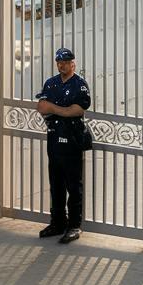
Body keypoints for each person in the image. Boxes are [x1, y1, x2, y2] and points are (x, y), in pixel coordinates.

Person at [35, 47, 91, 244]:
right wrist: (59, 109)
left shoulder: (79, 85)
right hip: (54, 139)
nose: (62, 65)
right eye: (59, 62)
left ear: (73, 64)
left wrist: (54, 108)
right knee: (56, 185)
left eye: (66, 62)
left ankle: (74, 225)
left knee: (73, 185)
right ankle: (58, 222)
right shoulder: (51, 84)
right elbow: (42, 107)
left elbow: (77, 110)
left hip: (72, 141)